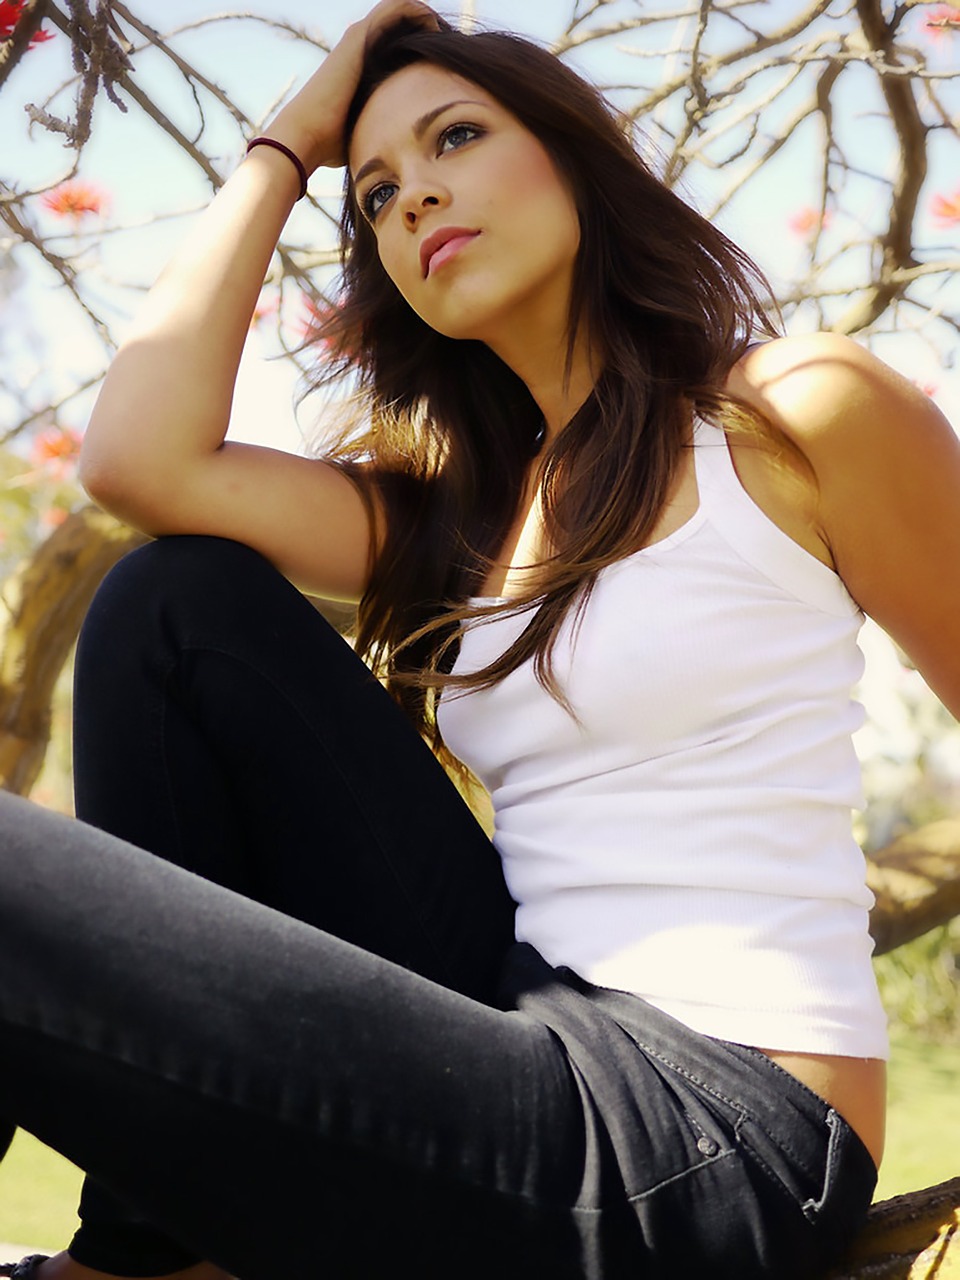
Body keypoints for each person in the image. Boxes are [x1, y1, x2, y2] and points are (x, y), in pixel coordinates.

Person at [1, 0, 958, 1276]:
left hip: (714, 1129)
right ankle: (156, 1245)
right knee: (172, 602)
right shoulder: (462, 520)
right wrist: (291, 144)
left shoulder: (792, 413)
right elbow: (138, 460)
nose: (410, 199)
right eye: (380, 187)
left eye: (456, 136)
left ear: (573, 154)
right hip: (516, 1011)